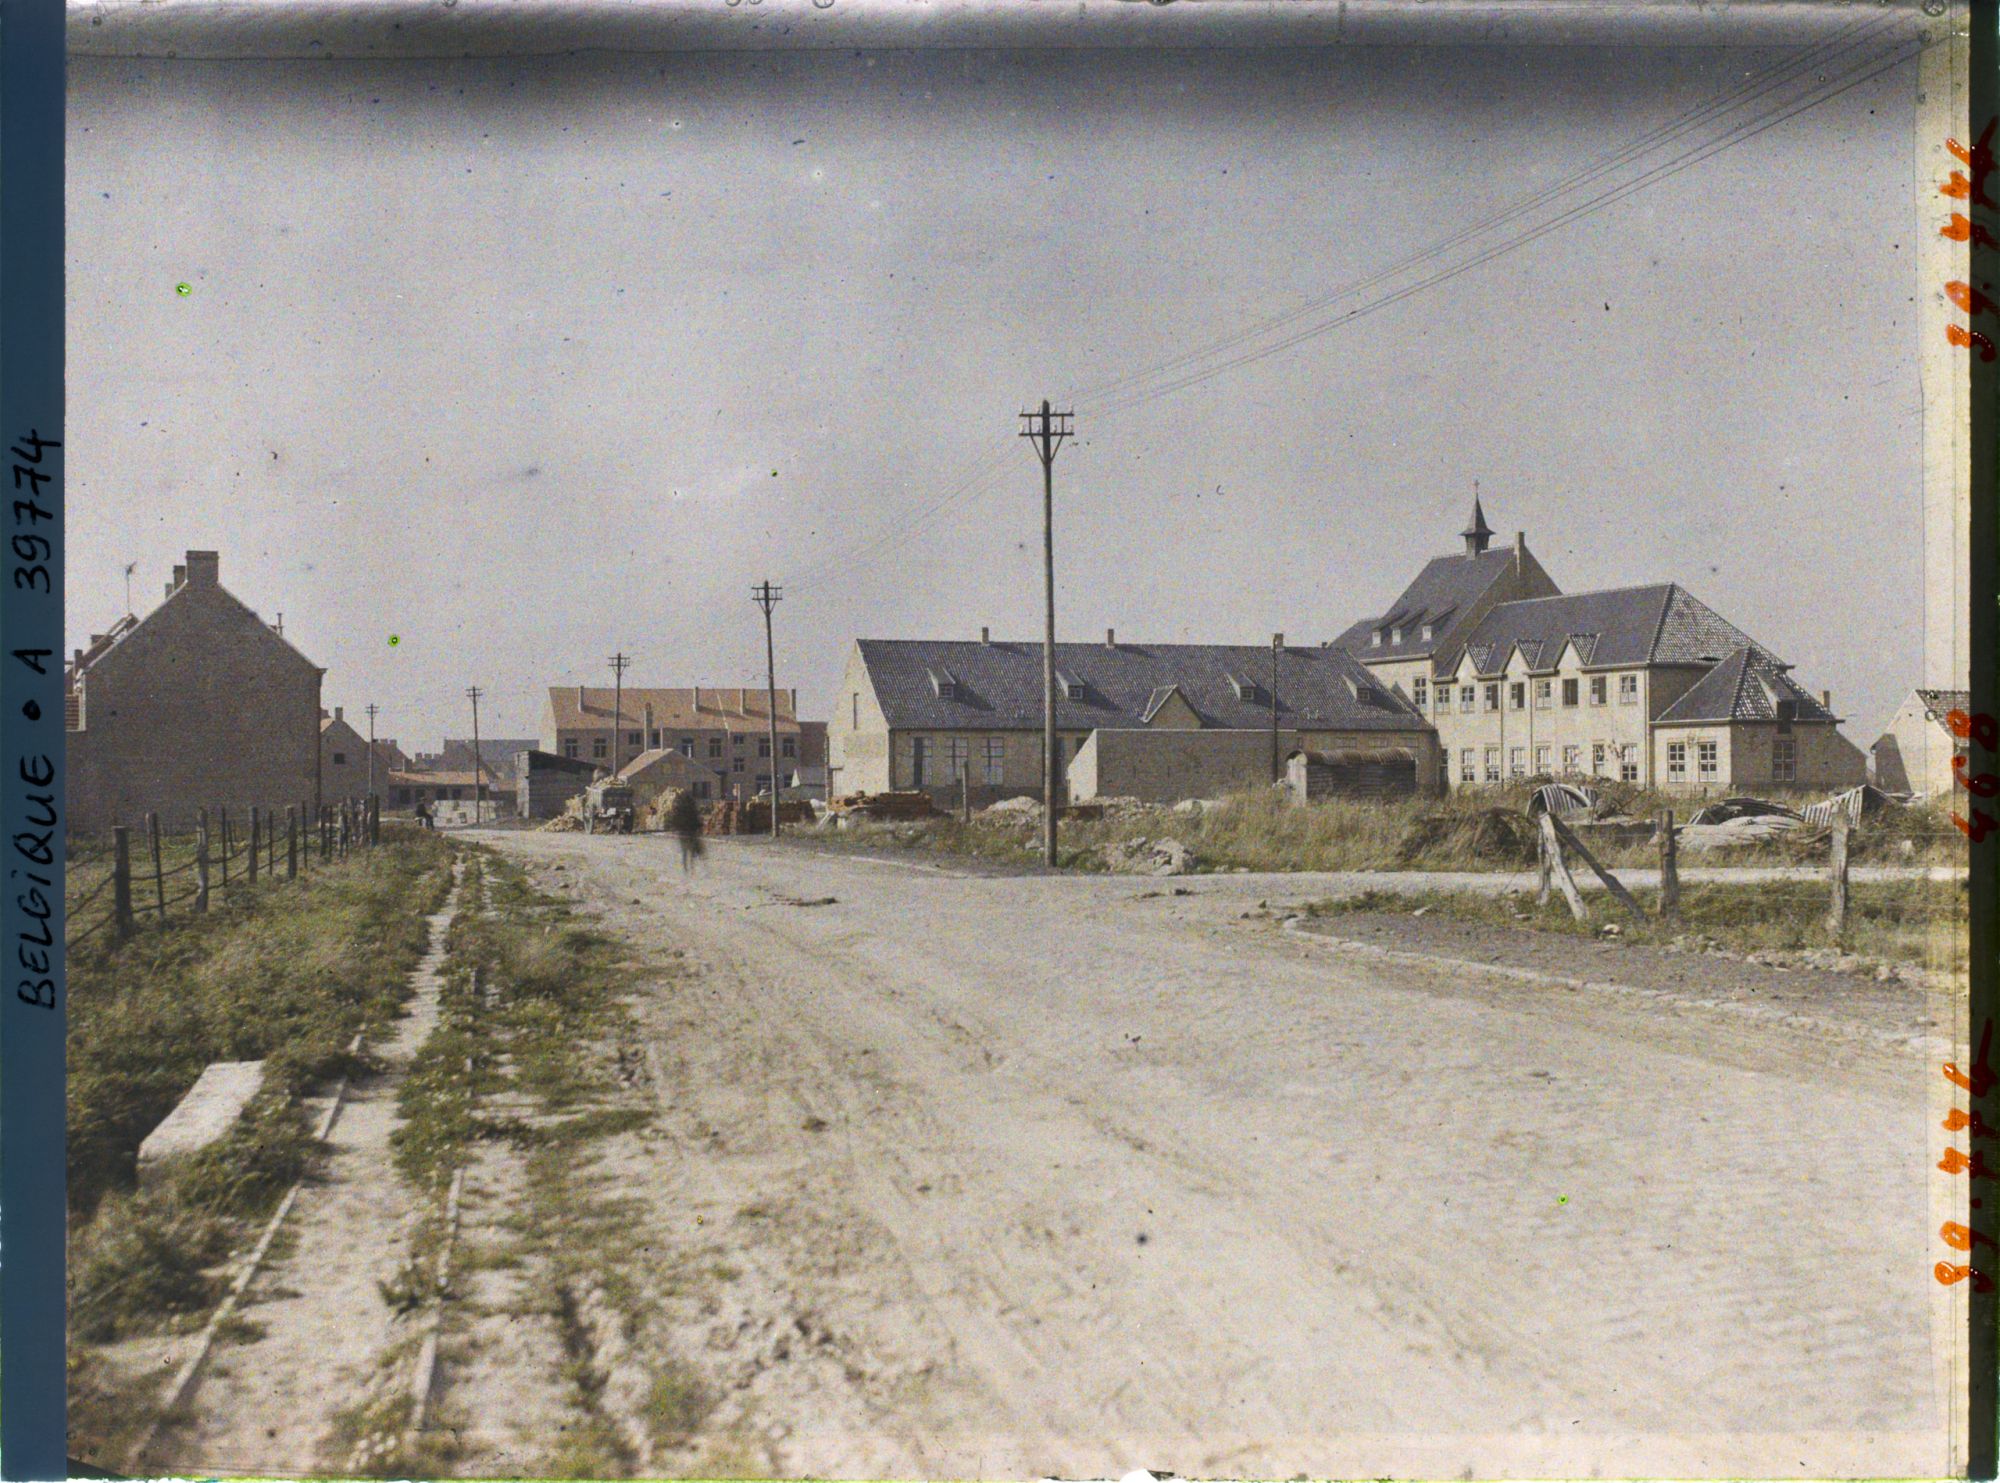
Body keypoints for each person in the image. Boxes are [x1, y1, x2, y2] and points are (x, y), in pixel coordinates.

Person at [667, 789, 705, 873]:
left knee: (684, 851)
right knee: (691, 851)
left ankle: (685, 868)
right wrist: (699, 827)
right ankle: (691, 867)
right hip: (691, 832)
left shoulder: (679, 808)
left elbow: (675, 819)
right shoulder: (692, 807)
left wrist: (674, 827)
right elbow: (696, 819)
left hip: (682, 833)